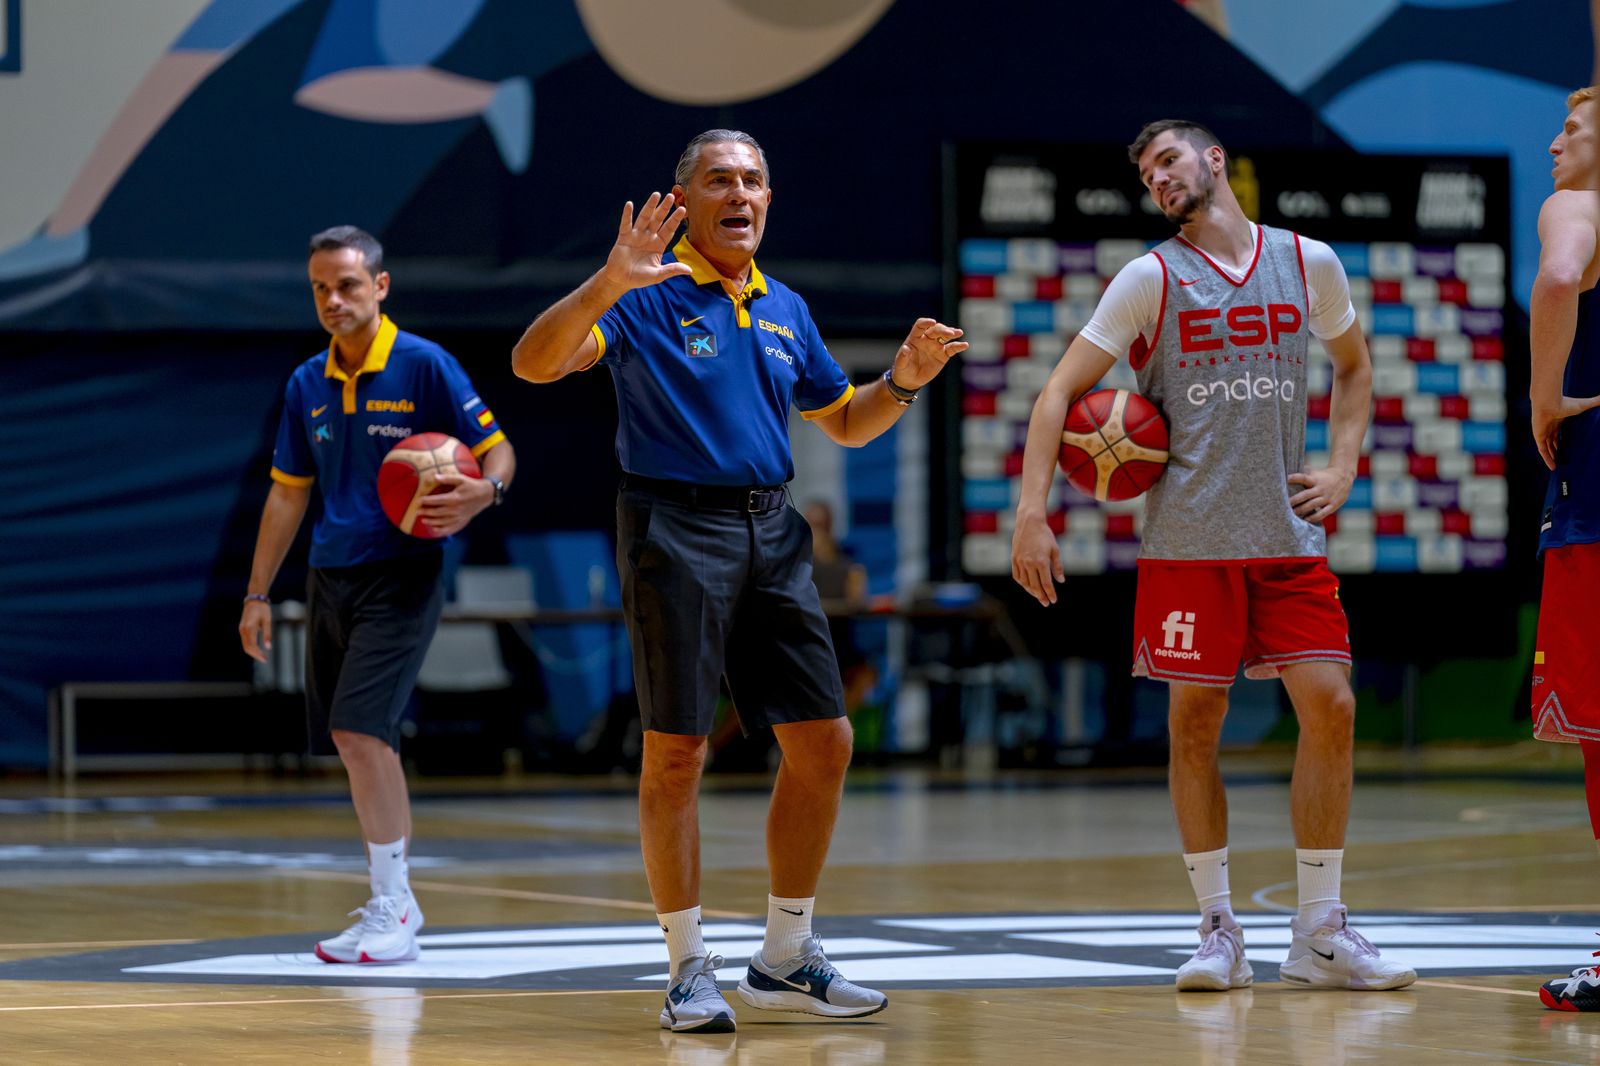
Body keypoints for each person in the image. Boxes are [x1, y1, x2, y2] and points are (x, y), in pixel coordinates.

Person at [511, 129, 963, 1033]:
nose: (741, 193)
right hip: (673, 527)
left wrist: (903, 381)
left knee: (825, 742)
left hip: (773, 530)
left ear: (769, 199)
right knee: (678, 752)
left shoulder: (784, 306)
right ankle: (687, 967)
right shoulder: (642, 293)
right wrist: (607, 280)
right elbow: (534, 363)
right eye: (720, 179)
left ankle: (785, 954)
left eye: (753, 180)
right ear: (684, 201)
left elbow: (845, 421)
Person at [1011, 120, 1414, 993]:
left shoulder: (1308, 262)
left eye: (1168, 161)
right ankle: (1218, 927)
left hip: (1285, 538)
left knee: (1333, 707)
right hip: (1189, 545)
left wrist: (1343, 466)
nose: (1158, 179)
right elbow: (1058, 393)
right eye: (1146, 174)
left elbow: (1353, 367)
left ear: (1214, 161)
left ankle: (1319, 931)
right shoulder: (1148, 279)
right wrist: (1031, 512)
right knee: (1195, 725)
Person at [239, 226, 515, 965]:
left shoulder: (425, 365)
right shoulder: (307, 382)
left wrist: (485, 493)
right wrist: (257, 593)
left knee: (361, 731)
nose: (333, 299)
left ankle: (395, 905)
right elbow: (287, 494)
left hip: (404, 571)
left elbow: (498, 451)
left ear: (381, 286)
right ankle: (391, 900)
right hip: (331, 574)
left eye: (348, 285)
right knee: (352, 738)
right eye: (321, 288)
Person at [1527, 87, 1600, 1012]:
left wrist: (1544, 395)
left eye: (1573, 130)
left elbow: (1556, 279)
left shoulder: (1578, 205)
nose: (1554, 144)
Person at [803, 499, 878, 715]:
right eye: (811, 525)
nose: (816, 532)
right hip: (803, 644)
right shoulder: (794, 563)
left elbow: (857, 597)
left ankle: (835, 726)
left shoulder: (847, 565)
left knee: (865, 676)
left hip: (838, 644)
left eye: (820, 525)